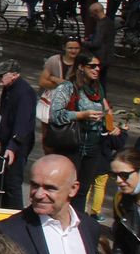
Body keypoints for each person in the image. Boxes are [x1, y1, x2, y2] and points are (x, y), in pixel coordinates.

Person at [46, 53, 119, 206]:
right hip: (72, 145)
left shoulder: (97, 88)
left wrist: (111, 126)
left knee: (82, 190)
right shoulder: (67, 87)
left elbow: (106, 112)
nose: (97, 69)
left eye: (99, 66)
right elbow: (55, 115)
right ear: (81, 67)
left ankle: (77, 224)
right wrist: (81, 115)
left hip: (93, 147)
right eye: (92, 66)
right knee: (65, 189)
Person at [0, 59, 37, 208]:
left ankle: (14, 214)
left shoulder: (25, 92)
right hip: (5, 139)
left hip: (18, 142)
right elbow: (2, 114)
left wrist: (13, 147)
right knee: (0, 178)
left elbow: (23, 123)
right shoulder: (7, 88)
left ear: (14, 75)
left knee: (12, 182)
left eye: (2, 75)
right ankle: (0, 208)